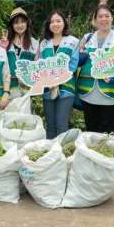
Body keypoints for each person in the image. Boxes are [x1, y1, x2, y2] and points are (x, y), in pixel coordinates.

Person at [76, 5, 114, 139]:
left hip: (112, 93)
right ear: (94, 20)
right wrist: (80, 56)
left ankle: (109, 159)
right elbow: (76, 62)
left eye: (107, 16)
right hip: (88, 92)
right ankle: (92, 159)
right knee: (91, 130)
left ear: (112, 18)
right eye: (100, 16)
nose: (104, 19)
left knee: (110, 133)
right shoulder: (87, 38)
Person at [39, 10, 79, 139]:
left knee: (61, 124)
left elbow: (73, 65)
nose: (55, 24)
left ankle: (62, 156)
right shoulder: (44, 43)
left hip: (66, 88)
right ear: (48, 25)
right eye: (52, 21)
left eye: (58, 21)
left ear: (64, 23)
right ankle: (50, 154)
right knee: (50, 126)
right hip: (48, 89)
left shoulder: (73, 41)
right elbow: (40, 65)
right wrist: (48, 81)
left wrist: (58, 79)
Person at [1, 7, 39, 99]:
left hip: (26, 91)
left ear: (27, 23)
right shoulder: (4, 42)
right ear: (12, 25)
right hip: (6, 90)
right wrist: (2, 48)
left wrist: (27, 79)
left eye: (22, 22)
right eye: (16, 22)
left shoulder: (35, 43)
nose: (20, 25)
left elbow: (37, 67)